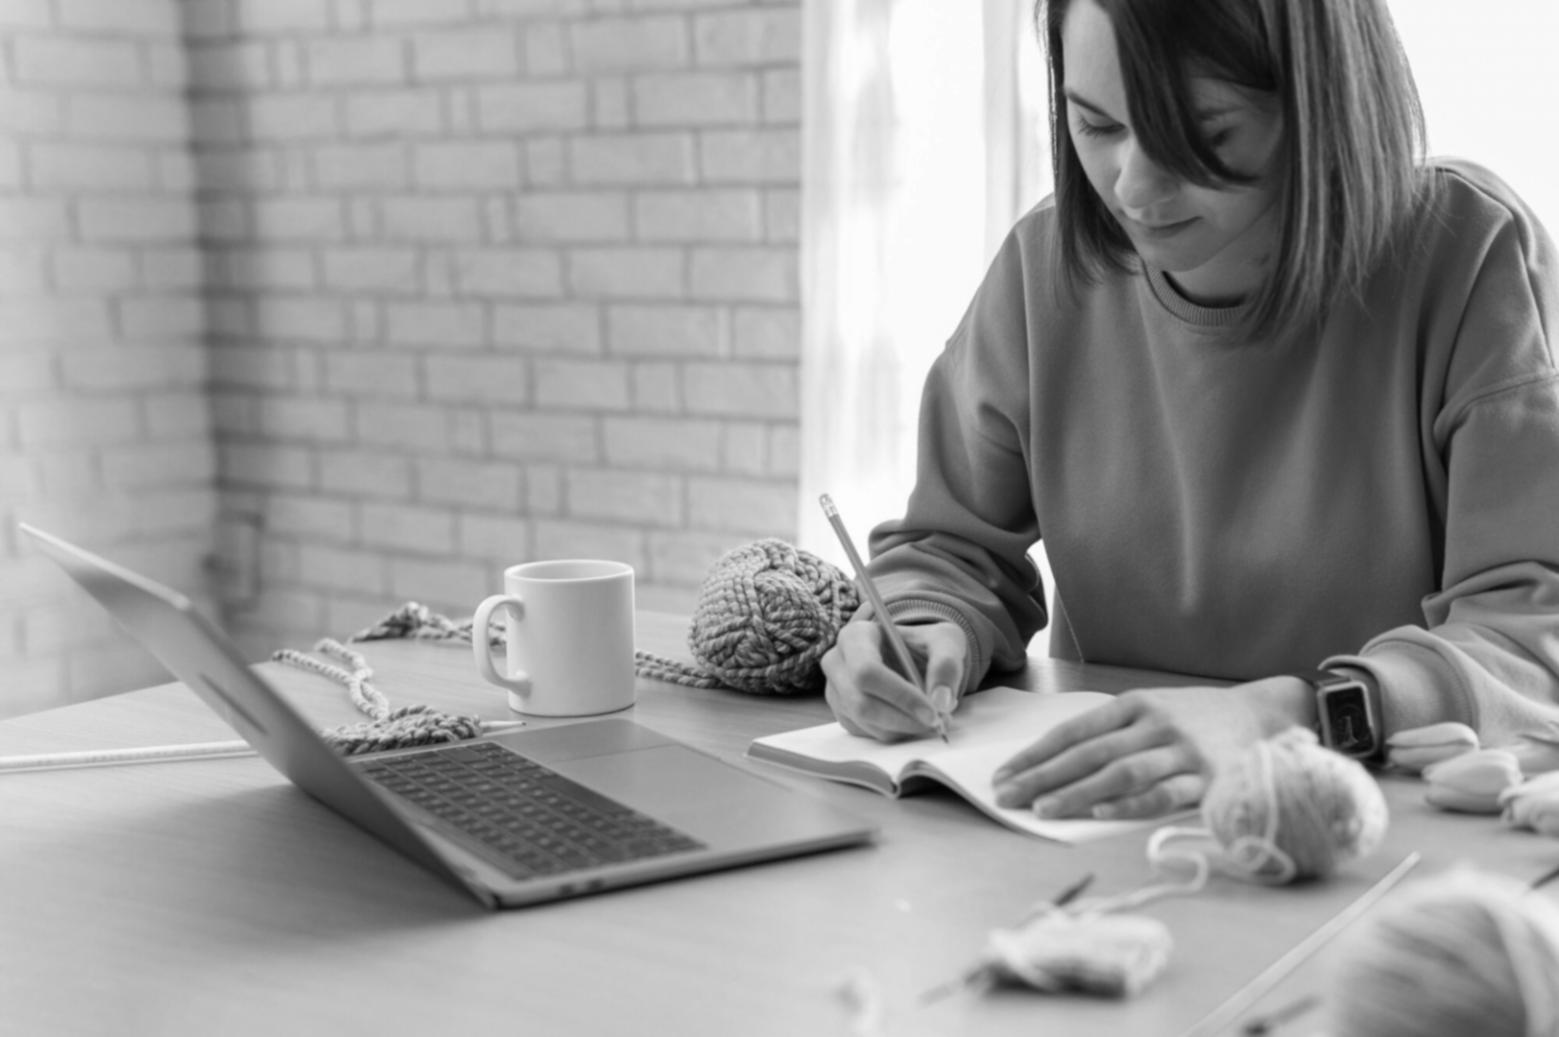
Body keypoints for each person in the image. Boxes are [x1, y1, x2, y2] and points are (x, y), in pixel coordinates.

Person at [820, 0, 1559, 822]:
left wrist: (1289, 717)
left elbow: (1529, 641)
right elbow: (950, 548)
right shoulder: (1041, 269)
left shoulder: (1469, 259)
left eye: (1198, 134)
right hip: (1097, 821)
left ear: (1321, 102)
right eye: (1095, 126)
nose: (1132, 188)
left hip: (1379, 836)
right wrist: (921, 627)